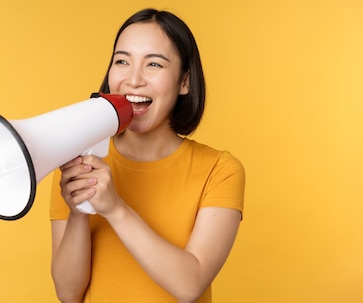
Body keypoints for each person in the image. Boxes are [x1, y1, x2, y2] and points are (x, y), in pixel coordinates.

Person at [49, 8, 245, 303]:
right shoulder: (76, 162)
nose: (133, 79)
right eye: (122, 61)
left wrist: (114, 208)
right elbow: (67, 294)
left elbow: (189, 285)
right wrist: (79, 212)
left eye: (153, 64)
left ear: (184, 83)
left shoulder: (220, 170)